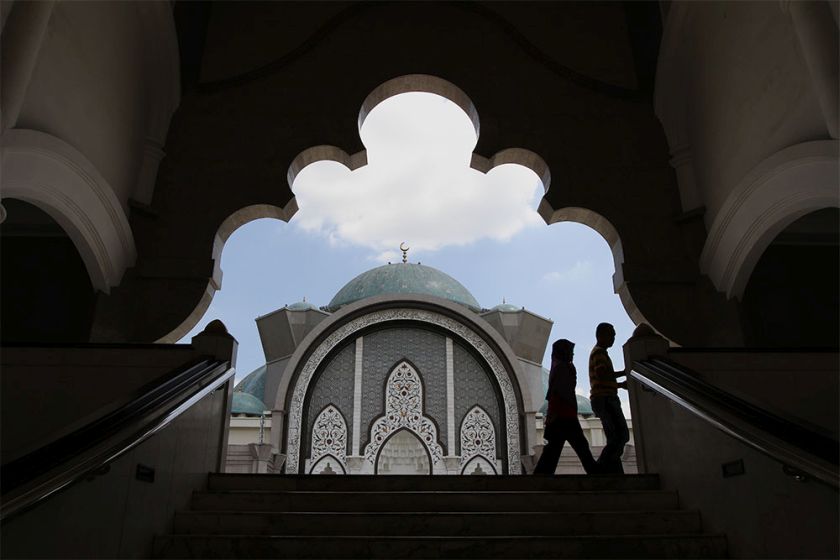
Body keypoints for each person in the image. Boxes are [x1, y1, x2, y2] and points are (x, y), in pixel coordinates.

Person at [533, 339, 597, 475]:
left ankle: (539, 478)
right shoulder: (564, 368)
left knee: (553, 451)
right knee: (579, 447)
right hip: (565, 416)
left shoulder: (558, 368)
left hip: (560, 416)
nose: (572, 355)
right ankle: (596, 474)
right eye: (570, 352)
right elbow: (562, 393)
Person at [589, 322, 630, 474]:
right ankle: (600, 467)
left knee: (614, 437)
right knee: (621, 435)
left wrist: (619, 384)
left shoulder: (599, 352)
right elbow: (602, 374)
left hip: (603, 399)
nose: (613, 338)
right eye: (611, 334)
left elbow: (602, 376)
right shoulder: (599, 353)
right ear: (601, 335)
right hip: (605, 399)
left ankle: (613, 469)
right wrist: (621, 378)